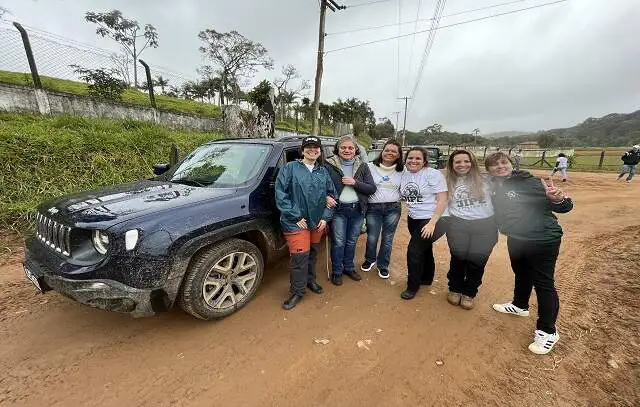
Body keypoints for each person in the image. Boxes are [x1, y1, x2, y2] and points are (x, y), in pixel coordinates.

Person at [485, 151, 573, 355]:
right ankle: (519, 305)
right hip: (517, 237)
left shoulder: (530, 182)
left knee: (543, 283)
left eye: (503, 162)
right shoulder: (494, 186)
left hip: (542, 238)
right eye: (495, 164)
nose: (500, 166)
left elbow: (565, 206)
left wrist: (558, 199)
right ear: (489, 169)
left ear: (510, 163)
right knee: (522, 273)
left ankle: (548, 331)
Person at [275, 135, 337, 310]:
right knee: (299, 258)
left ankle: (310, 281)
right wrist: (295, 216)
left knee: (312, 254)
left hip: (317, 223)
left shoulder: (323, 172)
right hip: (295, 223)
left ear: (319, 151)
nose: (312, 149)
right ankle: (297, 291)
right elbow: (281, 194)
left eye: (315, 147)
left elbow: (332, 196)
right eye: (308, 147)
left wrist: (325, 218)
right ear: (302, 150)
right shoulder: (290, 168)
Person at [444, 150, 498, 310]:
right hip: (458, 224)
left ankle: (469, 292)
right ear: (452, 165)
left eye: (466, 161)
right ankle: (455, 288)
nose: (462, 165)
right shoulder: (447, 181)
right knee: (458, 257)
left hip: (485, 225)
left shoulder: (487, 180)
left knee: (477, 260)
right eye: (457, 162)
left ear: (472, 162)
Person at [325, 135, 376, 286]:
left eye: (350, 148)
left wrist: (355, 183)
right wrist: (325, 197)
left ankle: (348, 268)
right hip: (339, 210)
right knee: (339, 242)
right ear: (338, 149)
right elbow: (321, 186)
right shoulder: (328, 165)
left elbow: (371, 188)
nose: (347, 150)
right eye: (343, 147)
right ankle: (337, 271)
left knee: (351, 241)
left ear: (356, 150)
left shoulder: (363, 166)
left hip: (357, 209)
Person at [400, 147, 448, 300]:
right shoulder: (405, 175)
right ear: (405, 160)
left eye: (418, 158)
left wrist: (432, 223)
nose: (413, 161)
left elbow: (442, 199)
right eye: (410, 158)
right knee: (424, 249)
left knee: (414, 250)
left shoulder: (433, 174)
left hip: (434, 218)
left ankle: (412, 286)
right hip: (414, 218)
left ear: (424, 161)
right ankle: (427, 277)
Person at [361, 139, 404, 279]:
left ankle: (383, 265)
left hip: (393, 208)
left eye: (394, 151)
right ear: (382, 151)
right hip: (373, 208)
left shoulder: (403, 170)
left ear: (398, 155)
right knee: (372, 237)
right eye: (387, 150)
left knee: (387, 238)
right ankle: (370, 260)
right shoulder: (369, 166)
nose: (390, 153)